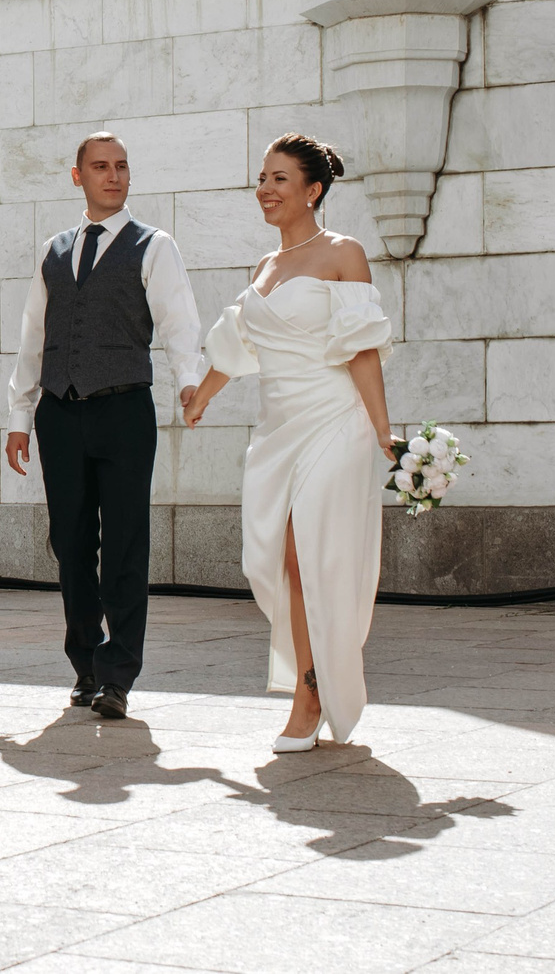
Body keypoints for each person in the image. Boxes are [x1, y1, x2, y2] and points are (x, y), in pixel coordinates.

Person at [183, 132, 392, 751]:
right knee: (272, 561)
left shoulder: (343, 253)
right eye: (262, 178)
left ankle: (310, 694)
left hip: (334, 422)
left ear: (313, 190)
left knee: (309, 556)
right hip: (278, 430)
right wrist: (202, 395)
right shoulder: (265, 268)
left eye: (279, 179)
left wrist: (383, 430)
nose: (265, 189)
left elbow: (361, 348)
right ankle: (315, 677)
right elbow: (239, 345)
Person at [2, 132, 204, 721]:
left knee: (123, 546)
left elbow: (179, 321)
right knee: (70, 545)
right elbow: (34, 336)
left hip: (123, 410)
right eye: (100, 167)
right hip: (59, 413)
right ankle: (86, 665)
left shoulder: (153, 245)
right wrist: (19, 416)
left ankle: (117, 676)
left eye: (121, 166)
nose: (113, 176)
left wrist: (190, 382)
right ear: (78, 176)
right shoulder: (54, 250)